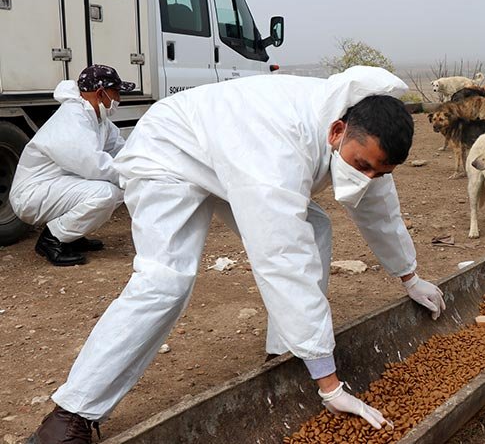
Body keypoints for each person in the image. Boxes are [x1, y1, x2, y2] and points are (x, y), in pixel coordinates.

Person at [27, 66, 446, 443]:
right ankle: (70, 416)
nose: (367, 176)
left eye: (379, 170)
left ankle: (285, 352)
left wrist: (410, 276)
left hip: (225, 153)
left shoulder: (363, 126)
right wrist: (330, 384)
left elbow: (380, 209)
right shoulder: (279, 150)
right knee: (165, 281)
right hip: (169, 152)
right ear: (337, 131)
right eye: (362, 164)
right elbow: (281, 255)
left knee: (315, 226)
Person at [10, 65, 131, 266]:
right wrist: (132, 176)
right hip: (31, 195)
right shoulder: (72, 118)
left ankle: (71, 235)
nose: (119, 98)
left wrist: (143, 166)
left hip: (54, 187)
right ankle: (52, 239)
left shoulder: (98, 119)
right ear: (101, 93)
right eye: (116, 92)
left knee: (114, 187)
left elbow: (121, 151)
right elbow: (93, 165)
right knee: (106, 193)